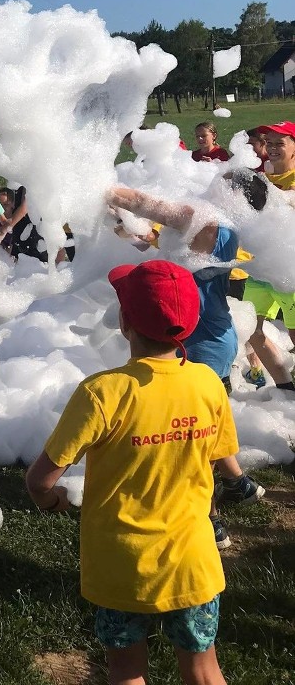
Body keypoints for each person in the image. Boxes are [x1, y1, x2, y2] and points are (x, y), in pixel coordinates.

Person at [26, 261, 237, 685]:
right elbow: (217, 458)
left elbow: (40, 480)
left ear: (124, 322)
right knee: (203, 671)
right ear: (193, 321)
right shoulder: (208, 383)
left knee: (125, 672)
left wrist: (52, 502)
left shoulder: (101, 392)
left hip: (120, 566)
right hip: (192, 564)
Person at [107, 174, 266, 547]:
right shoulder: (216, 229)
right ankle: (237, 484)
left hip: (202, 342)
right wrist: (123, 225)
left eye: (224, 181)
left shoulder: (208, 220)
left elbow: (146, 203)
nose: (215, 181)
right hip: (208, 336)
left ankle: (211, 521)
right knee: (208, 425)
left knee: (194, 437)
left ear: (232, 195)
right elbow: (155, 243)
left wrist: (98, 187)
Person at [241, 122, 295, 392]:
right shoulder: (263, 176)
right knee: (252, 329)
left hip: (290, 271)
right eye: (269, 143)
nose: (272, 148)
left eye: (280, 143)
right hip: (261, 267)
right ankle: (286, 388)